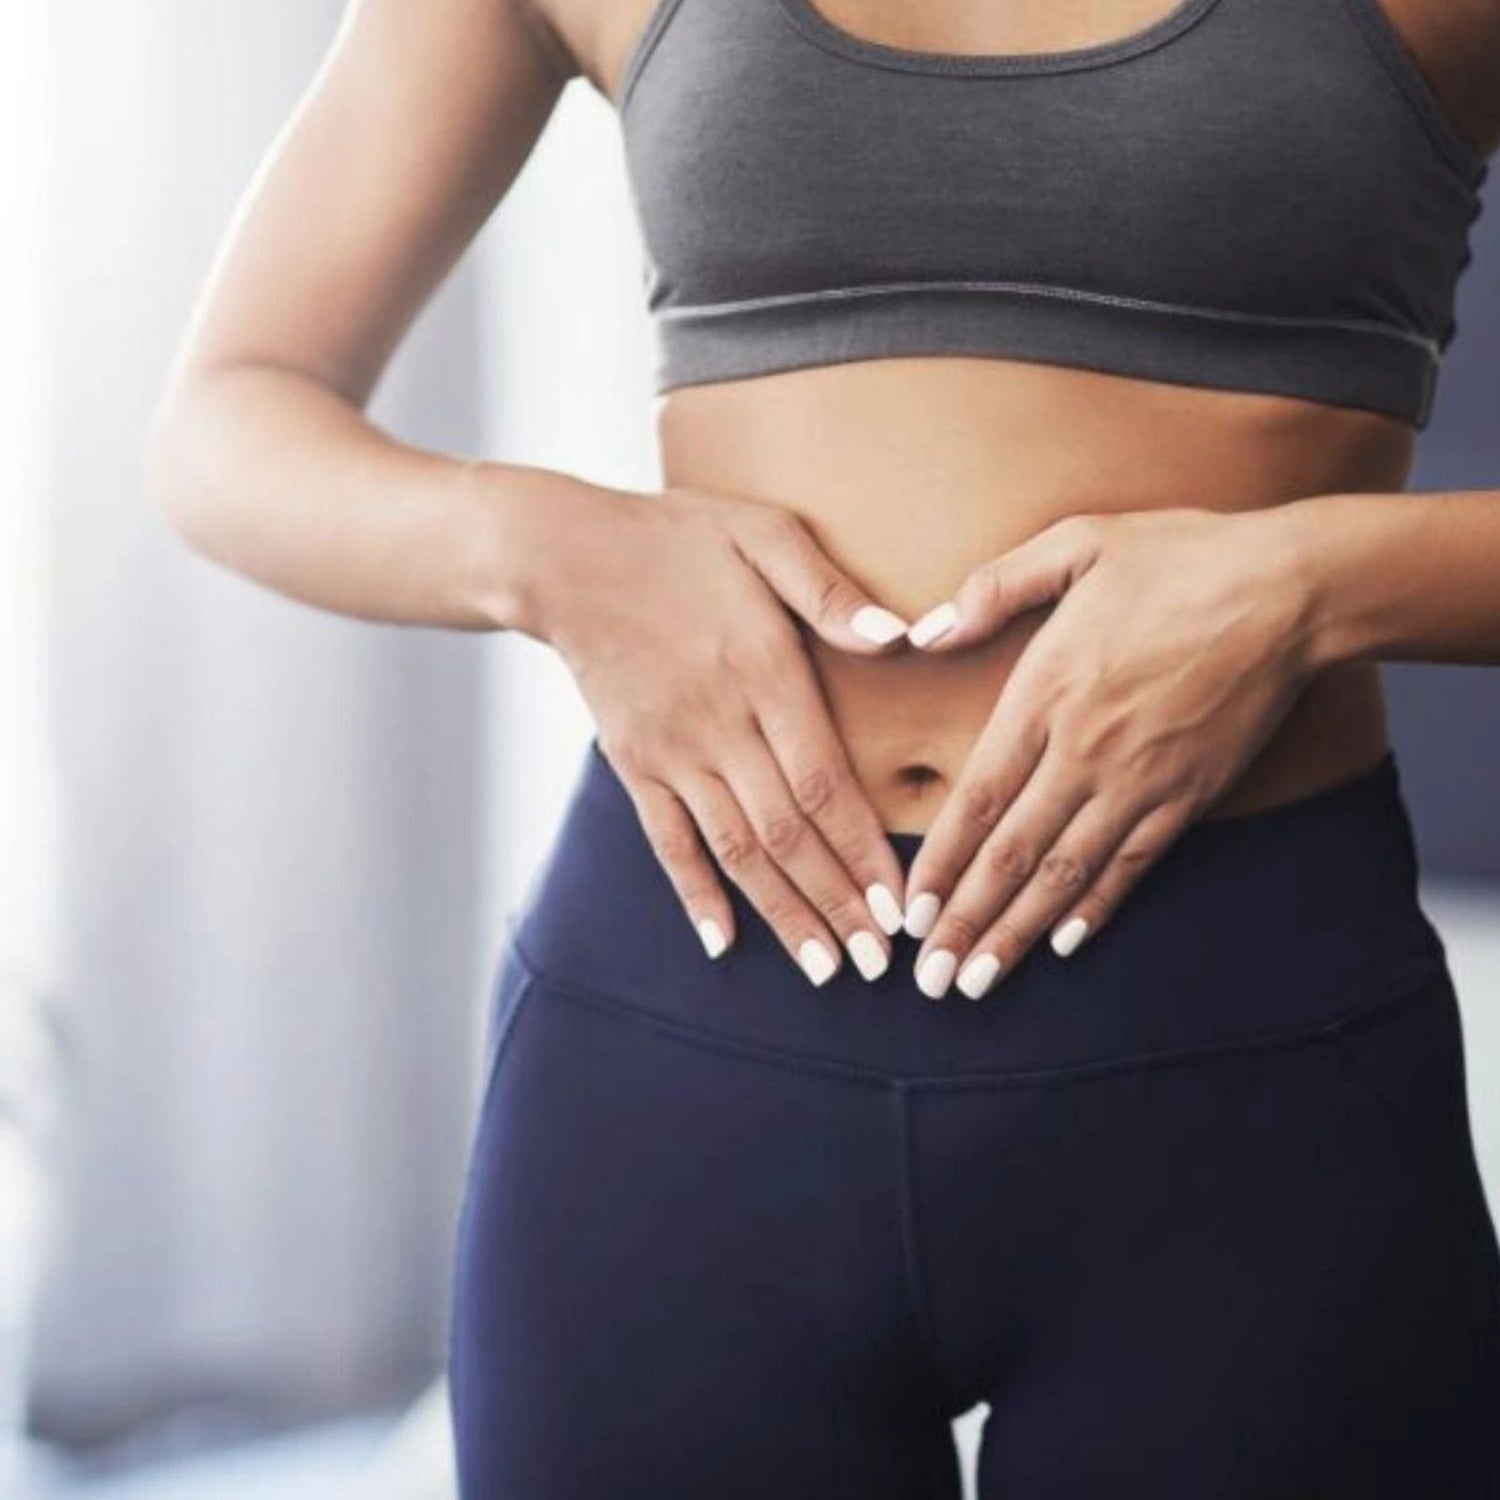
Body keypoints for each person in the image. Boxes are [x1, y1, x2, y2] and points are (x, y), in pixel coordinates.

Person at [145, 0, 1500, 1492]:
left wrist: (1306, 588)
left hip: (1245, 1078)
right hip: (681, 1051)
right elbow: (230, 417)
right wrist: (556, 550)